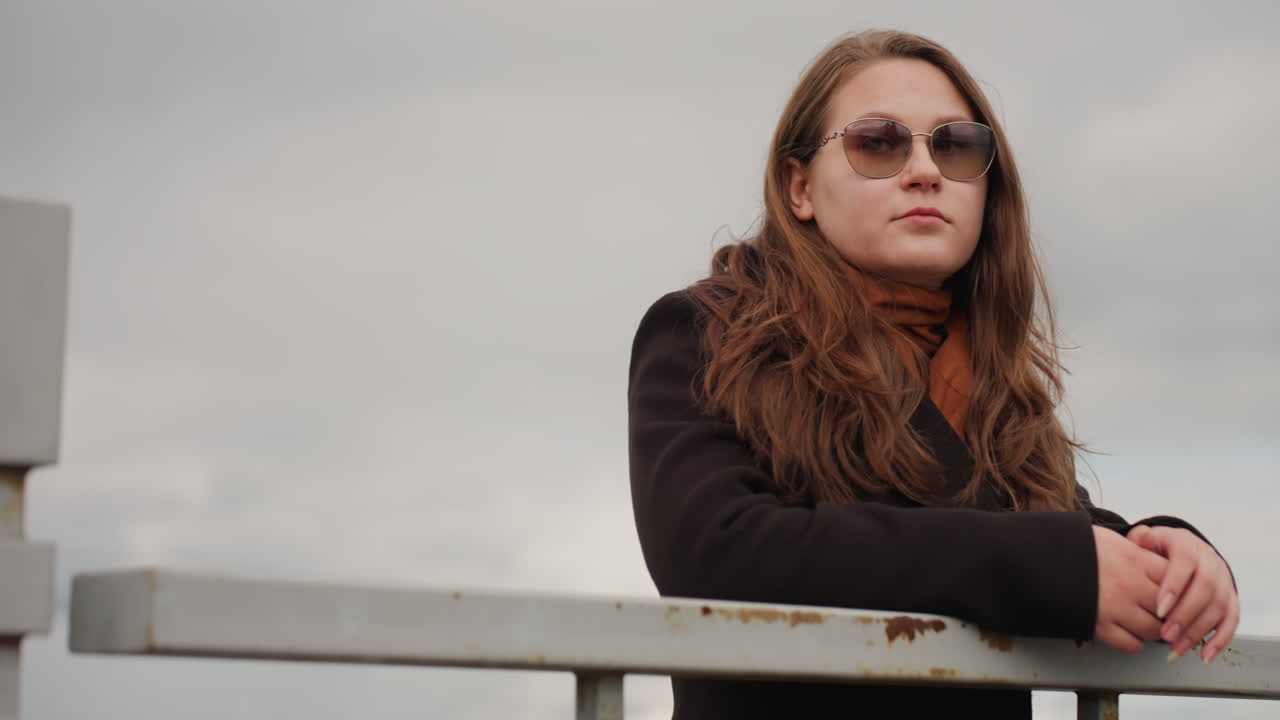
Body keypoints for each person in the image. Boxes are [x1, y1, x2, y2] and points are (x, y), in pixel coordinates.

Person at [626, 29, 1239, 719]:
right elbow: (718, 550)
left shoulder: (987, 375)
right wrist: (1053, 568)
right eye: (878, 143)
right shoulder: (704, 332)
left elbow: (1048, 531)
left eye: (956, 146)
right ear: (800, 187)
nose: (926, 170)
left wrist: (1168, 556)